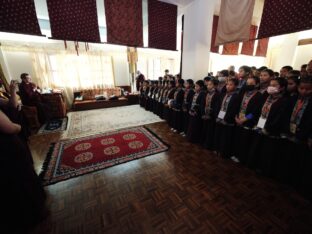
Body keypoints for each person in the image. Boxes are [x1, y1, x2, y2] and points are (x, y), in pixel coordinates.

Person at [0, 81, 47, 232]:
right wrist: (19, 127)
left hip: (10, 146)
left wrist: (13, 92)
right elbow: (9, 127)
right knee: (20, 177)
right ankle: (32, 211)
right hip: (7, 147)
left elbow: (11, 104)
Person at [247, 77, 289, 176]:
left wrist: (268, 128)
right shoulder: (266, 97)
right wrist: (248, 119)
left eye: (274, 85)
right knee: (257, 149)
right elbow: (256, 111)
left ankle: (263, 170)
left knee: (267, 152)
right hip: (259, 127)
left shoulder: (284, 101)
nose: (271, 87)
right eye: (270, 85)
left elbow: (280, 118)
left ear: (282, 88)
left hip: (270, 131)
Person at [279, 76, 312, 199]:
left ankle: (295, 182)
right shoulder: (293, 99)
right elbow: (286, 114)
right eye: (301, 88)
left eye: (308, 89)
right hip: (289, 133)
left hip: (302, 136)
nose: (304, 91)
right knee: (287, 158)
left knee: (299, 161)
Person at [233, 76, 263, 164]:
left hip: (248, 122)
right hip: (239, 119)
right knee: (237, 139)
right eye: (247, 84)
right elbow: (237, 105)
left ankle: (242, 158)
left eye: (251, 84)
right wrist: (236, 117)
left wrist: (244, 119)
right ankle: (236, 154)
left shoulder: (259, 95)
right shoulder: (243, 93)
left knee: (245, 141)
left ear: (257, 84)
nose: (248, 85)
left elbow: (255, 111)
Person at [214, 78, 241, 158]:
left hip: (228, 120)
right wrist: (217, 116)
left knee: (226, 138)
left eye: (231, 85)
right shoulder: (223, 94)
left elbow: (234, 110)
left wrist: (226, 119)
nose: (228, 86)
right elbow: (218, 106)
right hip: (220, 118)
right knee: (218, 135)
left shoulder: (237, 97)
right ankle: (217, 149)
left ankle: (224, 152)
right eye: (227, 84)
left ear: (236, 86)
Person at [201, 78, 221, 150]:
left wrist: (210, 115)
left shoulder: (217, 95)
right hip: (205, 115)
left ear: (215, 86)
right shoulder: (206, 93)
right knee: (204, 130)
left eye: (210, 85)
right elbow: (202, 104)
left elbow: (217, 107)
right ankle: (203, 143)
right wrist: (203, 113)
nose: (208, 86)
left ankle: (209, 145)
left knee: (210, 131)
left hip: (211, 117)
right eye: (208, 84)